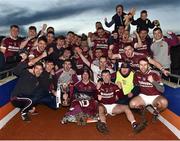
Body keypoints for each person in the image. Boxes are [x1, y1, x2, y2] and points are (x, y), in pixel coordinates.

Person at [96, 70, 145, 134]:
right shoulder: (99, 86)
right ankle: (103, 125)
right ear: (101, 77)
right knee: (100, 108)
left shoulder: (114, 86)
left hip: (113, 106)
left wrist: (120, 88)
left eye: (107, 75)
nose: (106, 77)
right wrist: (97, 92)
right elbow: (94, 97)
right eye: (104, 76)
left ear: (110, 76)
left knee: (126, 107)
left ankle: (134, 124)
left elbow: (121, 97)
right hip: (103, 106)